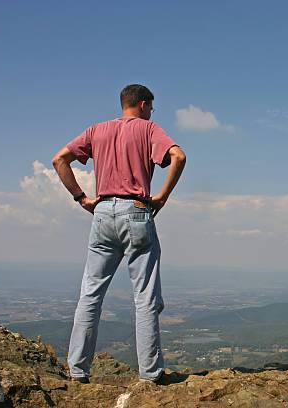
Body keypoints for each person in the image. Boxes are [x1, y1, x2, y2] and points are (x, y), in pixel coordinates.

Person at [51, 84, 186, 384]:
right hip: (136, 211)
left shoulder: (96, 130)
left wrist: (81, 198)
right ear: (142, 104)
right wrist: (161, 197)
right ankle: (150, 375)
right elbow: (178, 157)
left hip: (101, 213)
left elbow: (59, 159)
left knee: (90, 295)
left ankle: (77, 370)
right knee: (146, 298)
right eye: (151, 106)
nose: (151, 112)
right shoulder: (148, 129)